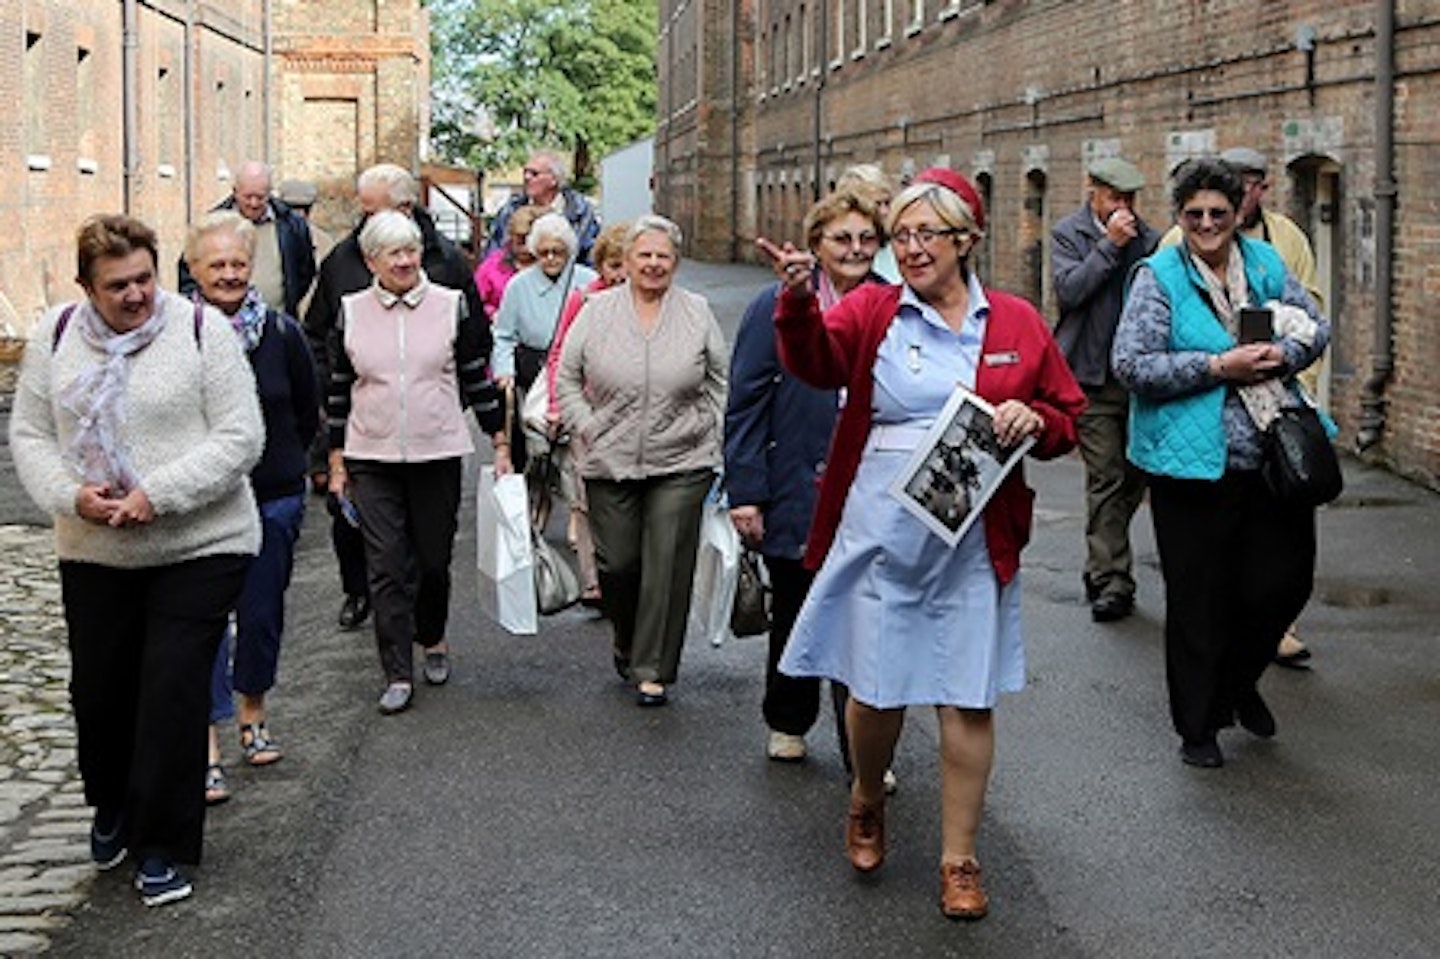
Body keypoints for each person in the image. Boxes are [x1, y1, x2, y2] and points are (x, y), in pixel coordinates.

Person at [761, 168, 1084, 920]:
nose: (908, 248)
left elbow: (1066, 414)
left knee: (967, 695)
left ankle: (959, 856)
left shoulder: (1013, 321)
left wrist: (1032, 419)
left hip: (973, 534)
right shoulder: (874, 309)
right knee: (875, 690)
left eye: (925, 234)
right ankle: (867, 793)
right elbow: (815, 362)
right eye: (898, 234)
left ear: (965, 241)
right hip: (882, 527)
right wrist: (798, 302)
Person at [10, 214, 264, 906]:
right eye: (117, 284)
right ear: (86, 286)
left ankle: (163, 845)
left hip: (201, 540)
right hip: (95, 547)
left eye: (145, 278)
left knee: (171, 688)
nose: (136, 295)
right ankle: (114, 803)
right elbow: (30, 433)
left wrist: (160, 492)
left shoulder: (199, 331)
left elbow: (242, 435)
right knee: (101, 693)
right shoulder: (57, 338)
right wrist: (70, 495)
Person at [1112, 157, 1329, 768]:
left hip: (1269, 456)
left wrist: (1279, 354)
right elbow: (1131, 365)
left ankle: (1237, 683)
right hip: (1189, 467)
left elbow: (1315, 325)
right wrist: (1215, 367)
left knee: (1283, 582)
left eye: (1219, 213)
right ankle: (1199, 725)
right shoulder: (1159, 277)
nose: (1207, 223)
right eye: (1195, 214)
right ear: (1180, 217)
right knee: (1199, 597)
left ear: (1238, 214)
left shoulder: (1263, 265)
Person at [305, 163, 505, 632]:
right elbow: (316, 330)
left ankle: (423, 625)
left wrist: (456, 404)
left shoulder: (447, 263)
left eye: (373, 211)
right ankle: (361, 593)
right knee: (357, 527)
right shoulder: (343, 260)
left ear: (407, 209)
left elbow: (474, 343)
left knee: (427, 546)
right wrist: (330, 390)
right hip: (360, 418)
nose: (364, 220)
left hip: (428, 423)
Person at [726, 189, 888, 764]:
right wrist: (745, 491)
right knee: (795, 606)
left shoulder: (894, 306)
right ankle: (788, 717)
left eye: (867, 238)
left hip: (868, 485)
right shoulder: (775, 305)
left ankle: (864, 749)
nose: (855, 249)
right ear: (816, 244)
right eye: (842, 238)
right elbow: (744, 402)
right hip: (793, 480)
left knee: (866, 619)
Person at [327, 211, 502, 714]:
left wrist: (500, 437)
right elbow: (339, 387)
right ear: (370, 261)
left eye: (411, 251)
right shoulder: (352, 310)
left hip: (437, 449)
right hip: (371, 453)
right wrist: (336, 458)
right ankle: (397, 671)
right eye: (393, 254)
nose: (405, 261)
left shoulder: (451, 305)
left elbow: (474, 373)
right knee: (384, 566)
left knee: (431, 562)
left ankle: (433, 635)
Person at [555, 214, 728, 707]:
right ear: (626, 261)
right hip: (608, 457)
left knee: (667, 564)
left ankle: (653, 669)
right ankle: (627, 640)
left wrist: (712, 429)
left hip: (683, 457)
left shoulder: (696, 311)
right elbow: (567, 377)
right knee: (619, 565)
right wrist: (587, 425)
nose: (653, 264)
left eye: (663, 256)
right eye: (644, 255)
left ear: (676, 262)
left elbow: (718, 379)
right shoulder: (596, 311)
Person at [184, 212, 319, 805]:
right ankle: (206, 743)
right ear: (193, 271)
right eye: (217, 265)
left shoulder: (282, 334)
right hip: (201, 505)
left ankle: (253, 713)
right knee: (203, 622)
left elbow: (307, 409)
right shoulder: (175, 337)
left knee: (261, 615)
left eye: (239, 263)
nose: (231, 274)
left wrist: (303, 471)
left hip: (273, 495)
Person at [1051, 156, 1161, 622]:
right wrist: (1109, 247)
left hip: (1136, 382)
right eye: (1115, 198)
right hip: (1091, 379)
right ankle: (1112, 579)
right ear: (1093, 192)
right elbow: (1070, 291)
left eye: (1130, 199)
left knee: (1133, 480)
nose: (1124, 208)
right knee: (1106, 476)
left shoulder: (1153, 241)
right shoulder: (1068, 234)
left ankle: (1102, 559)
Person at [542, 222, 632, 608]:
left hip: (634, 414)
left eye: (626, 265)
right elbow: (560, 354)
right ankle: (594, 581)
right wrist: (557, 404)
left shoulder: (650, 300)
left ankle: (625, 571)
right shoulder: (585, 300)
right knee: (585, 497)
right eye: (614, 266)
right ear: (601, 267)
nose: (621, 275)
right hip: (589, 412)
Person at [491, 212, 598, 472]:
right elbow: (503, 334)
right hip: (532, 370)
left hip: (576, 371)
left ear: (569, 251)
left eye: (558, 252)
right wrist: (504, 370)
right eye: (544, 252)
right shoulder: (518, 285)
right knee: (534, 449)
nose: (550, 258)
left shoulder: (587, 281)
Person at [177, 162, 317, 318]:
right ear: (235, 192)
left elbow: (305, 270)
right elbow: (188, 272)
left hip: (276, 321)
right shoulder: (212, 226)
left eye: (260, 197)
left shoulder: (291, 225)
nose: (254, 203)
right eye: (248, 197)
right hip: (222, 322)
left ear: (270, 193)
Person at [486, 150, 601, 264]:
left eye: (534, 173)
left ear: (554, 180)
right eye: (525, 172)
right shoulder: (510, 210)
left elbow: (591, 257)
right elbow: (492, 255)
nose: (527, 177)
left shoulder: (580, 212)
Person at [474, 204, 544, 319]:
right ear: (511, 236)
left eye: (530, 242)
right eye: (520, 241)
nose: (525, 248)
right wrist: (493, 314)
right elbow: (475, 302)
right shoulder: (492, 266)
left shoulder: (548, 264)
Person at [834, 163, 900, 283]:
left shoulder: (900, 246)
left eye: (887, 203)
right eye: (877, 204)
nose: (885, 211)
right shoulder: (838, 252)